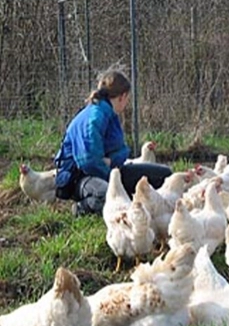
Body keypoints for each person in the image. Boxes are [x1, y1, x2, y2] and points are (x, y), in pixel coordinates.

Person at [54, 67, 172, 216]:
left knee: (165, 176)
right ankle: (81, 208)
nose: (127, 104)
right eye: (127, 99)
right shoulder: (94, 118)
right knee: (109, 196)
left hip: (109, 171)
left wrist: (111, 161)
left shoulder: (110, 115)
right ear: (122, 97)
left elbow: (122, 150)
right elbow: (88, 162)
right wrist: (115, 182)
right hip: (81, 178)